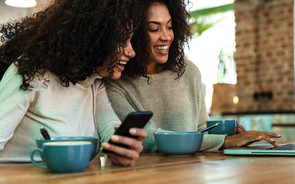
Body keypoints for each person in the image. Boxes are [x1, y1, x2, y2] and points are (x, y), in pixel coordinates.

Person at [105, 0, 281, 153]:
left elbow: (200, 128)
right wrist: (224, 142)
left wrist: (225, 131)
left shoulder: (189, 71)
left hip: (192, 172)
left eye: (170, 26)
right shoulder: (116, 81)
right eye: (154, 29)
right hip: (146, 178)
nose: (166, 36)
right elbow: (149, 139)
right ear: (132, 33)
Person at [0, 0, 147, 166]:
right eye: (121, 41)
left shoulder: (94, 83)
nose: (131, 52)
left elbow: (110, 129)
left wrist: (121, 146)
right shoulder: (30, 72)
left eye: (130, 41)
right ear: (94, 38)